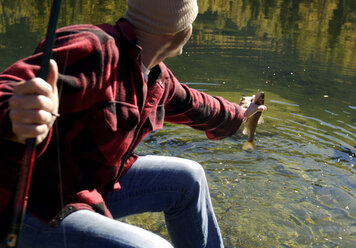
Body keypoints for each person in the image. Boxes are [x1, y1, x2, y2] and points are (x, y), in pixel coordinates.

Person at [0, 0, 266, 247]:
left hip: (93, 185)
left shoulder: (156, 76)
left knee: (189, 178)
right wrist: (15, 113)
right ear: (179, 29)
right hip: (36, 205)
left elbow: (201, 108)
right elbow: (9, 88)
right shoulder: (94, 47)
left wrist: (242, 113)